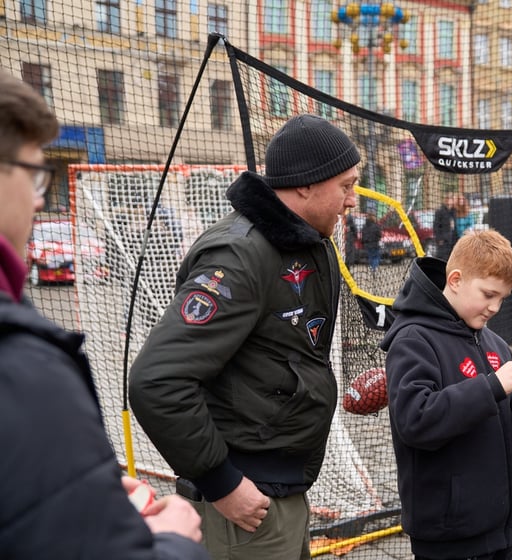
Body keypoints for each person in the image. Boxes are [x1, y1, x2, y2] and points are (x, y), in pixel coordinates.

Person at [128, 114, 361, 560]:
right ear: (306, 185)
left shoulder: (312, 242)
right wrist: (223, 484)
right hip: (242, 505)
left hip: (282, 489)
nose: (352, 200)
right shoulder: (238, 256)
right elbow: (157, 382)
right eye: (345, 186)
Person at [0, 70, 207, 559]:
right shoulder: (25, 367)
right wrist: (175, 541)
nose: (38, 197)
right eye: (32, 174)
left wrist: (86, 492)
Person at [381, 229, 512, 560]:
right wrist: (493, 385)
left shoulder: (493, 342)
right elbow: (416, 420)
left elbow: (486, 416)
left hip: (504, 527)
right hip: (451, 536)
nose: (495, 307)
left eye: (503, 298)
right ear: (454, 280)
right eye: (488, 294)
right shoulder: (413, 339)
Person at [432, 194, 456, 260]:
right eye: (447, 199)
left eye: (450, 199)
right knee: (442, 259)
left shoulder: (453, 211)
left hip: (452, 240)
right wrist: (439, 239)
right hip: (443, 240)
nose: (449, 201)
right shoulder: (440, 211)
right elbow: (436, 227)